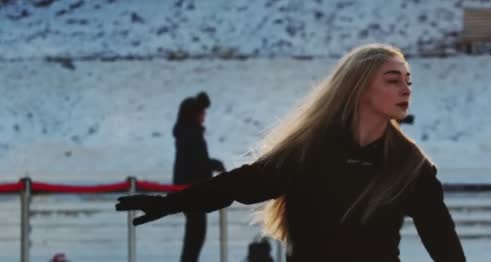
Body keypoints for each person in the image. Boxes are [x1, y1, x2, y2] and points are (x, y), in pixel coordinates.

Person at [116, 44, 466, 262]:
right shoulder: (309, 152)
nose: (406, 89)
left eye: (408, 80)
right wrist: (170, 203)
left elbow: (442, 239)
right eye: (393, 79)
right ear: (358, 88)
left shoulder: (410, 166)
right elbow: (239, 186)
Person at [172, 94, 225, 262]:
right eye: (202, 112)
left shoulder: (188, 133)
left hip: (191, 189)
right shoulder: (191, 135)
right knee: (196, 236)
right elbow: (197, 162)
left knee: (194, 236)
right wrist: (216, 164)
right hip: (193, 190)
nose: (204, 116)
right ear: (194, 115)